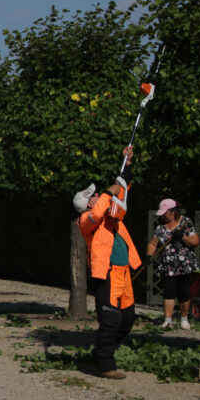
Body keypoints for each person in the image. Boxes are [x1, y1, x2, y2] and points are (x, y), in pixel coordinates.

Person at [73, 146, 142, 380]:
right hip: (107, 275)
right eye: (92, 196)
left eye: (96, 194)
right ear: (87, 204)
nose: (96, 196)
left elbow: (122, 193)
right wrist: (110, 188)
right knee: (110, 320)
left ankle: (103, 352)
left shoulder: (110, 214)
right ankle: (105, 364)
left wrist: (127, 166)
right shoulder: (86, 220)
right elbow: (103, 204)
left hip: (123, 274)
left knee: (128, 319)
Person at [147, 199, 200, 329]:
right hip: (167, 265)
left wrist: (182, 237)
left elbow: (195, 241)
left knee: (183, 293)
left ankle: (184, 319)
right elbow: (153, 243)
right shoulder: (160, 227)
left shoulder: (186, 223)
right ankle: (168, 320)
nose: (164, 215)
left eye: (166, 213)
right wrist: (149, 255)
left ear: (173, 211)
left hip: (184, 265)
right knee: (168, 292)